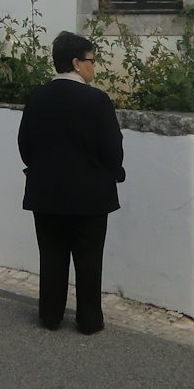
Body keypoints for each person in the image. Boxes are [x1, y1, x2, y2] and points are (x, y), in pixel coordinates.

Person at [17, 31, 125, 335]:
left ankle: (50, 315)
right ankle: (89, 320)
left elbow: (25, 145)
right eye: (91, 60)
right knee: (89, 258)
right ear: (77, 63)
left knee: (52, 255)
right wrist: (114, 171)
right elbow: (112, 149)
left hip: (46, 191)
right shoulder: (97, 100)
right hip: (90, 194)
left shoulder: (37, 97)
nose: (94, 67)